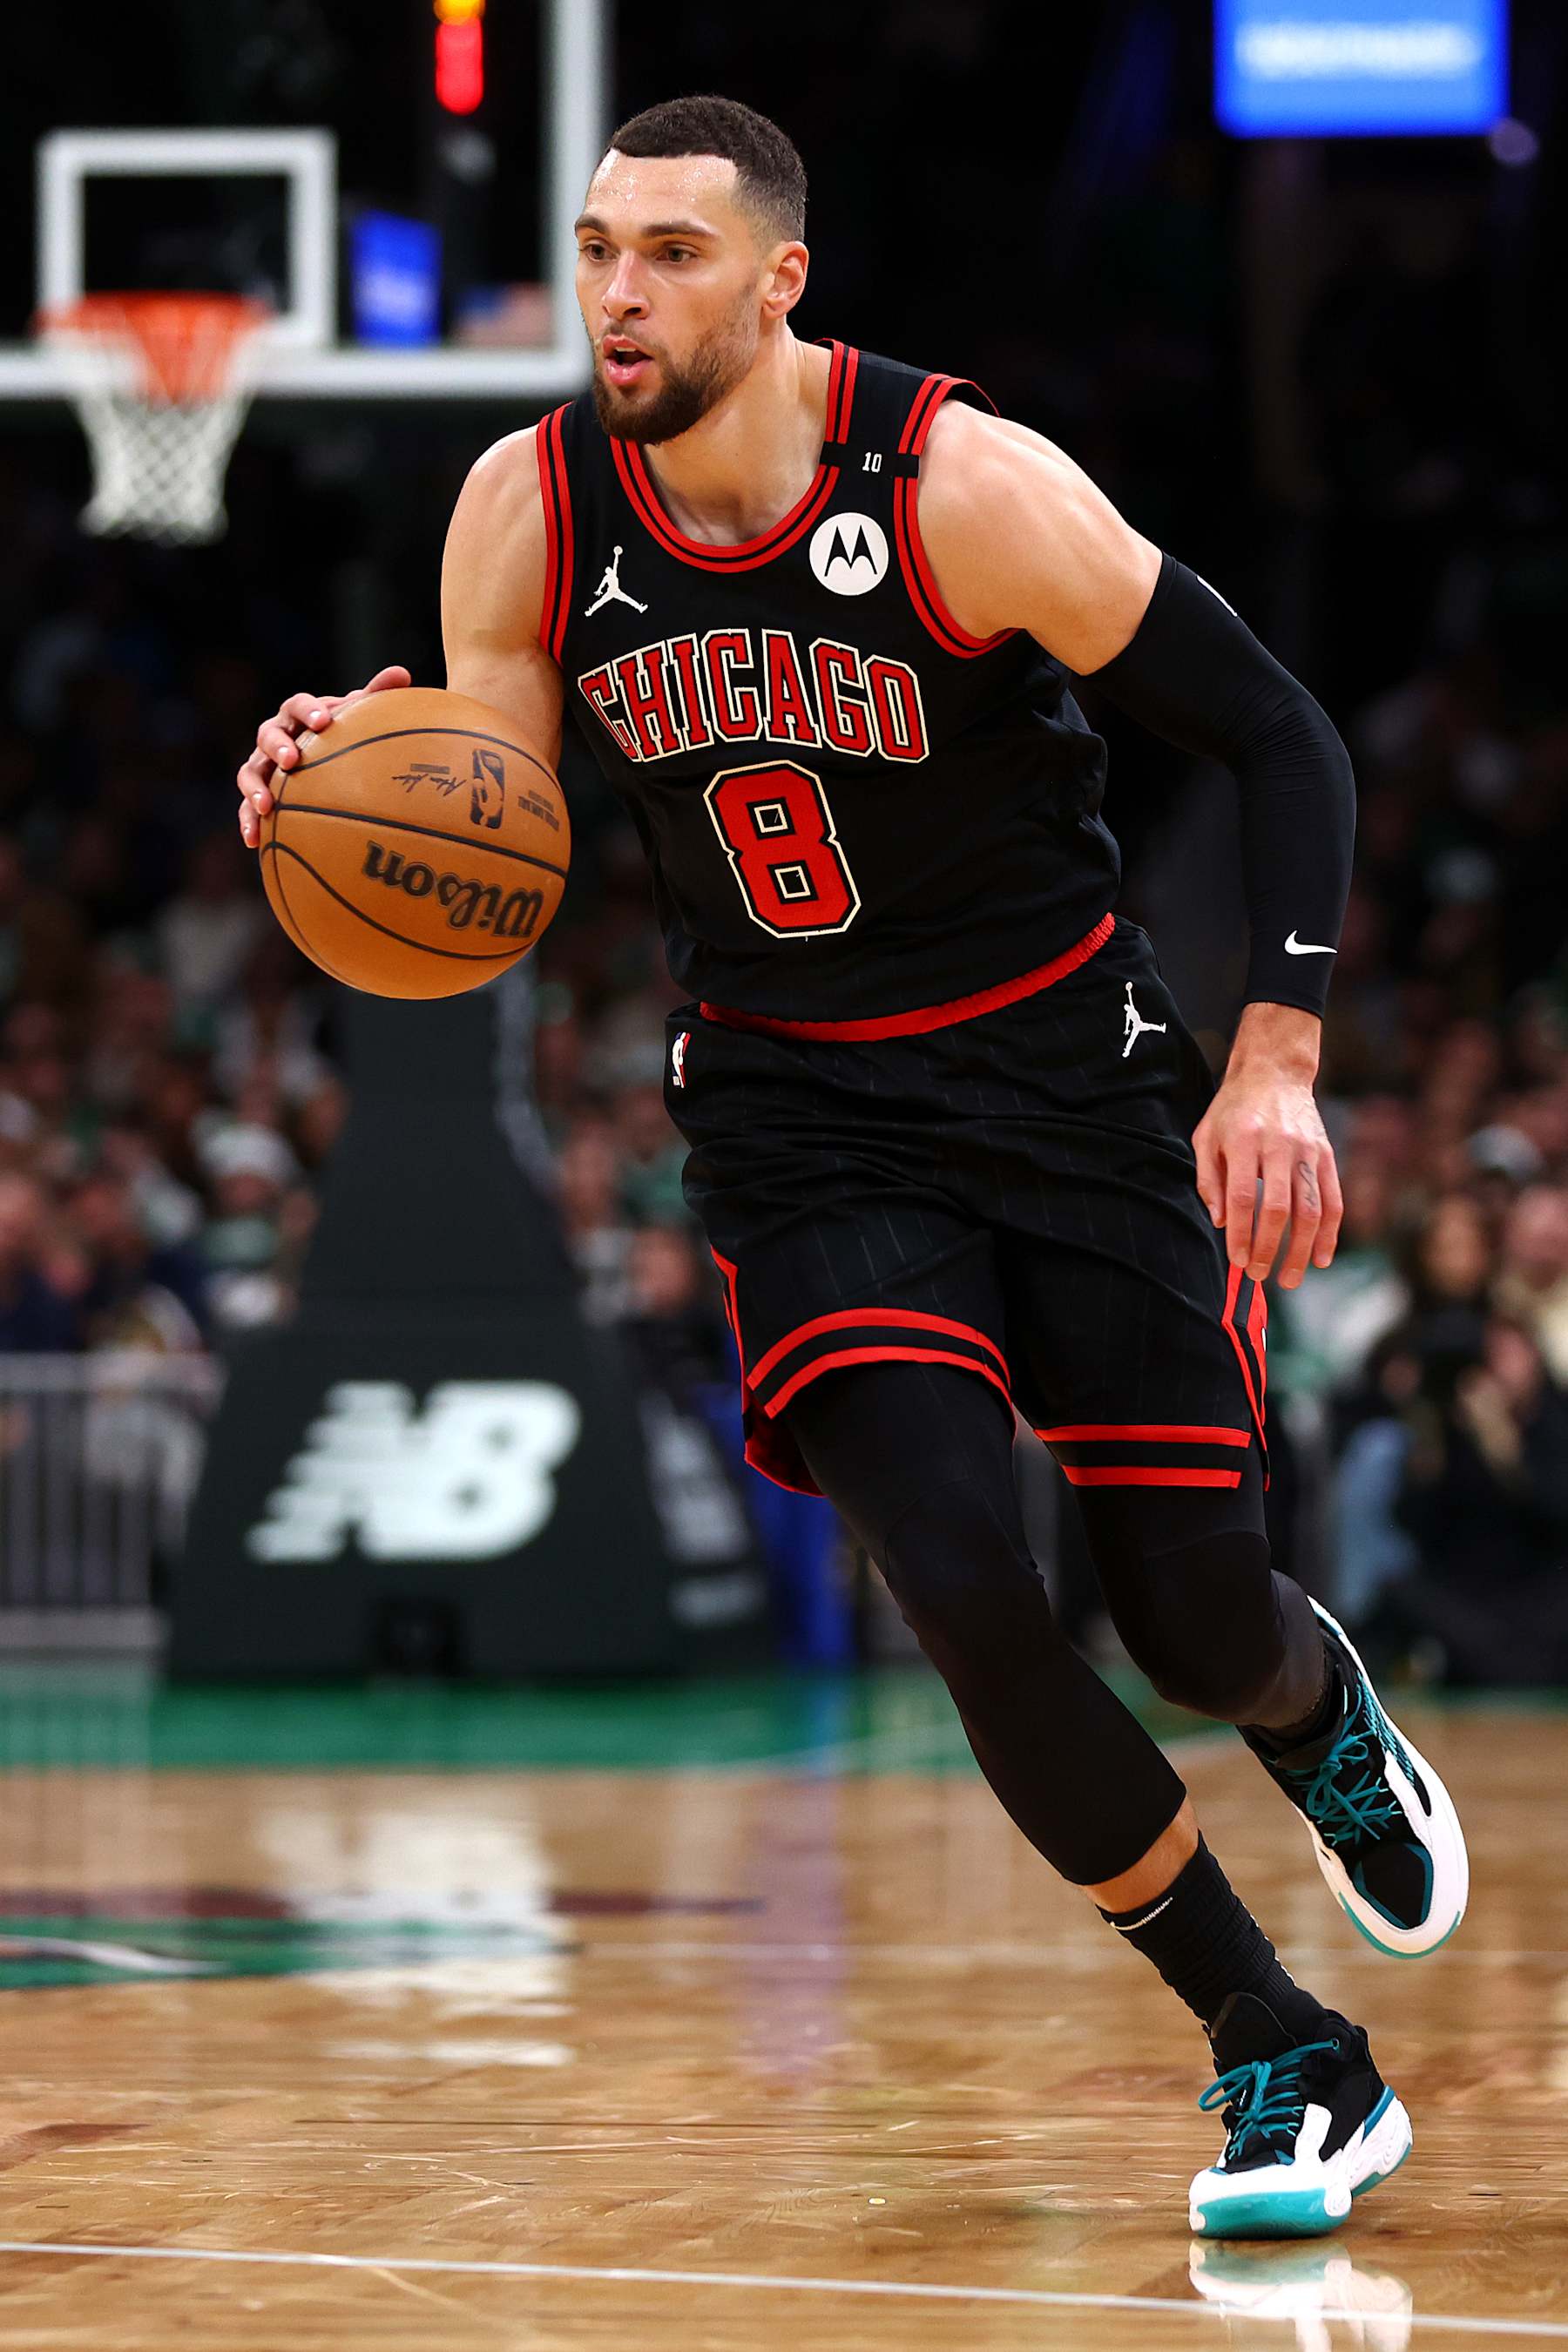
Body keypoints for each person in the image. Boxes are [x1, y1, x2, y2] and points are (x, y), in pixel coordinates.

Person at [236, 97, 1467, 2238]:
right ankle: (1282, 2047)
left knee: (1190, 1625)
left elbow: (1282, 735)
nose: (621, 293)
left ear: (783, 278)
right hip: (804, 1114)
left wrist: (1273, 1061)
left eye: (673, 256)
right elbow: (498, 824)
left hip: (1072, 1092)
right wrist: (360, 771)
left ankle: (1315, 1700)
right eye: (602, 250)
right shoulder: (526, 507)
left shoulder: (956, 488)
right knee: (963, 1589)